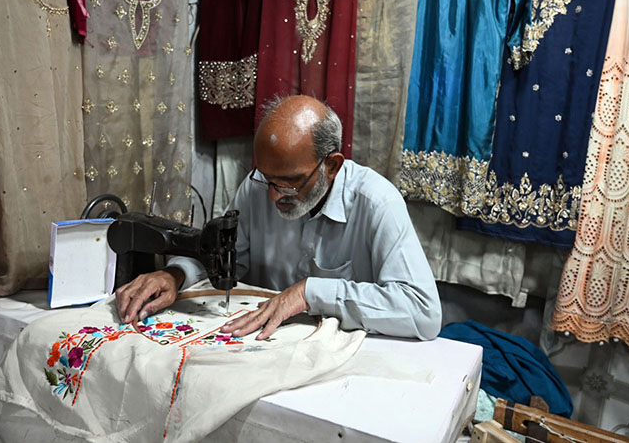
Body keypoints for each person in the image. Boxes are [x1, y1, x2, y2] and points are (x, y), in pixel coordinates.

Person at [115, 95, 441, 340]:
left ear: (332, 165)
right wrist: (175, 275)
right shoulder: (258, 186)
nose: (273, 196)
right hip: (265, 345)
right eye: (268, 179)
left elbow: (422, 311)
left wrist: (309, 293)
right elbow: (228, 260)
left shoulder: (377, 203)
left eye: (290, 183)